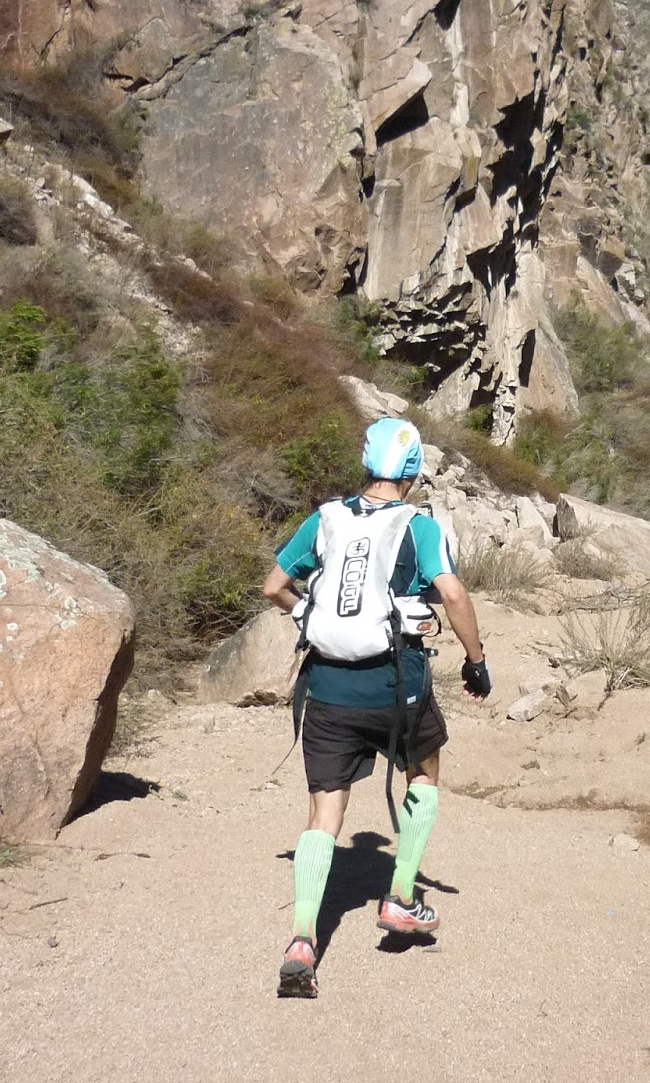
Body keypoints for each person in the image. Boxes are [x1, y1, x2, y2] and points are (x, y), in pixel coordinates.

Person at [261, 416, 493, 999]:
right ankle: (401, 896)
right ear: (414, 470)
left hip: (328, 689)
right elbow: (452, 592)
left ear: (366, 462)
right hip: (397, 688)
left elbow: (273, 587)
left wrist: (307, 615)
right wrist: (476, 660)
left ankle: (301, 941)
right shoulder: (419, 526)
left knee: (323, 815)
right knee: (424, 772)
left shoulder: (324, 518)